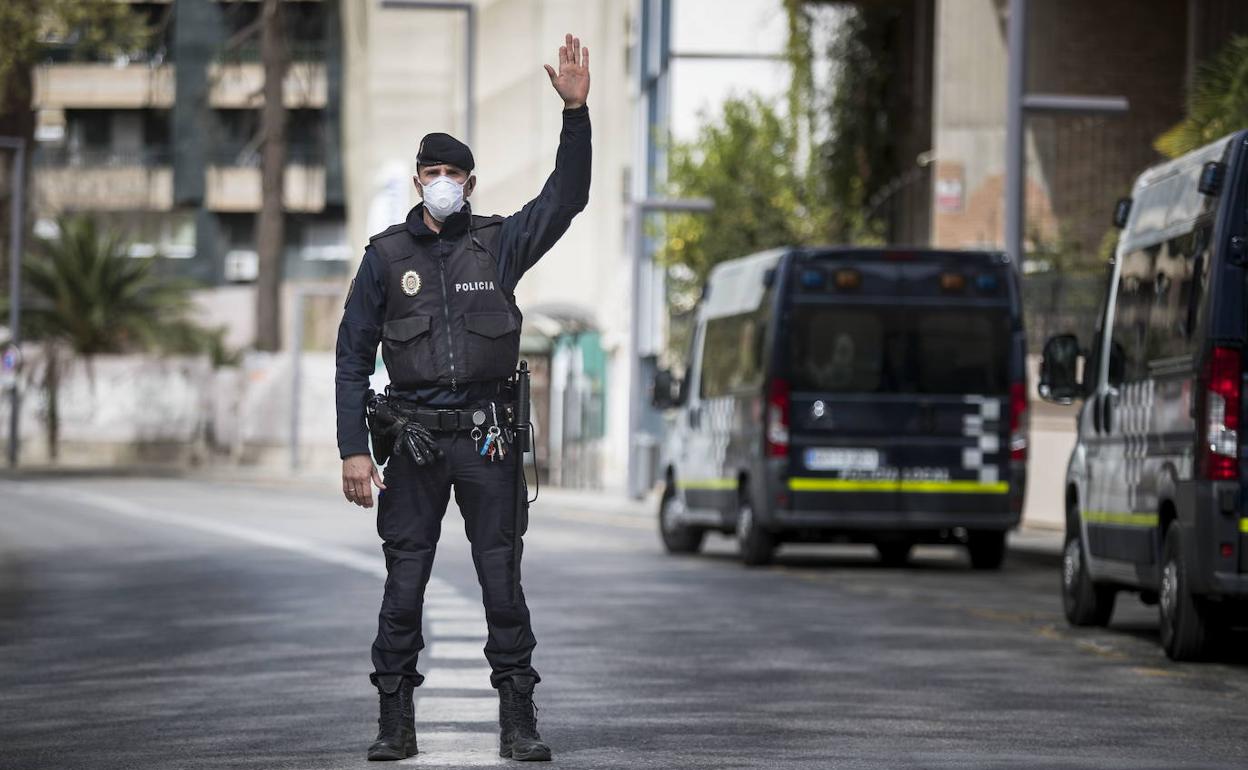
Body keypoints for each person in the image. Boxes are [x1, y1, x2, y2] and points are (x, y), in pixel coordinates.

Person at [334, 33, 591, 763]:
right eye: (433, 170)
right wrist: (355, 448)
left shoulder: (500, 244)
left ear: (470, 184)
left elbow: (567, 197)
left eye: (456, 171)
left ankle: (518, 719)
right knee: (404, 584)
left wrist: (575, 114)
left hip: (487, 442)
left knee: (501, 582)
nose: (444, 180)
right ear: (419, 179)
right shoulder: (386, 258)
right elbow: (353, 358)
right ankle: (395, 721)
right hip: (412, 444)